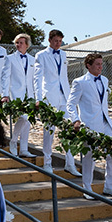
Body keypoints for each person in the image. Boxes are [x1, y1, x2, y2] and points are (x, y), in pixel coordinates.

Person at [68, 53, 112, 200]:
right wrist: (75, 120)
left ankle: (110, 187)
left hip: (105, 122)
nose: (101, 67)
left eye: (101, 64)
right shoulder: (80, 82)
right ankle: (87, 188)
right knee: (89, 157)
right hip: (89, 124)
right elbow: (71, 104)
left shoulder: (104, 80)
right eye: (98, 64)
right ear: (88, 65)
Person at [33, 29, 77, 174]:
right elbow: (37, 78)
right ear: (50, 40)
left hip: (64, 96)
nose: (58, 44)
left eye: (60, 41)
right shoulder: (41, 55)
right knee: (49, 131)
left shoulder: (63, 54)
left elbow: (64, 77)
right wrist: (38, 99)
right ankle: (47, 162)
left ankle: (70, 163)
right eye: (56, 41)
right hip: (49, 97)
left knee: (68, 130)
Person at [2, 33, 34, 157]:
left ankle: (24, 149)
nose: (18, 45)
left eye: (21, 42)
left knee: (28, 121)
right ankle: (14, 142)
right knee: (24, 118)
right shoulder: (10, 58)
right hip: (16, 94)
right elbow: (5, 77)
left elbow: (33, 79)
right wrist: (5, 94)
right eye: (17, 42)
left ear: (27, 45)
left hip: (29, 94)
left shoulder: (32, 59)